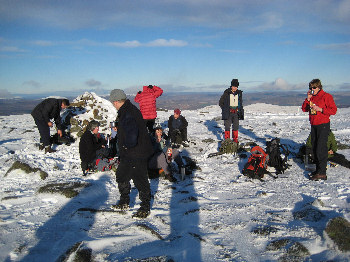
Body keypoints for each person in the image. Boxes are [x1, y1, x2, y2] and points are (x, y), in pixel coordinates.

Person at [110, 89, 154, 218]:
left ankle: (145, 207)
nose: (113, 104)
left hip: (136, 153)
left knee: (140, 180)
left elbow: (132, 135)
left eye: (113, 102)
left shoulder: (128, 112)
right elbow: (130, 128)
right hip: (130, 153)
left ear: (117, 101)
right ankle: (124, 202)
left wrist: (126, 146)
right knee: (121, 175)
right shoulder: (127, 110)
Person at [302, 79, 337, 180]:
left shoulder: (326, 96)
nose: (312, 89)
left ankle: (322, 173)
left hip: (323, 125)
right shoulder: (312, 97)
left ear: (319, 87)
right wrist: (307, 99)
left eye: (314, 87)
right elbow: (304, 109)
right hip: (314, 125)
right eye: (310, 88)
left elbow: (333, 110)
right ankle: (318, 169)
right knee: (314, 147)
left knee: (321, 148)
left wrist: (320, 109)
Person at [219, 78, 243, 143]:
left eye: (236, 86)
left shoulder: (239, 93)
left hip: (236, 113)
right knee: (227, 126)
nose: (234, 88)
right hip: (228, 112)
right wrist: (225, 109)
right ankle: (227, 140)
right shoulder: (227, 92)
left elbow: (240, 102)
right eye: (233, 86)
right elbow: (221, 102)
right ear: (231, 86)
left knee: (235, 126)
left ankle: (235, 139)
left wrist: (239, 109)